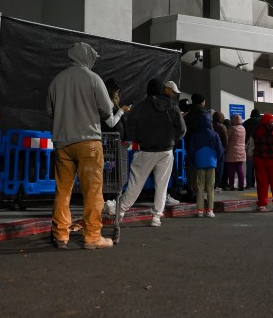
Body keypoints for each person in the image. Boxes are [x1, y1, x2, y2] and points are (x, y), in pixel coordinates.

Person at [46, 42, 115, 250]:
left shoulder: (56, 81)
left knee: (63, 190)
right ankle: (93, 236)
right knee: (93, 190)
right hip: (89, 143)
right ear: (87, 57)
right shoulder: (93, 79)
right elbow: (106, 109)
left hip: (62, 143)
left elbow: (50, 111)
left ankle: (60, 235)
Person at [103, 78, 185, 227]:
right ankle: (156, 217)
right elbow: (182, 129)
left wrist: (140, 139)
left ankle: (119, 210)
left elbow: (130, 128)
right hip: (166, 150)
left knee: (135, 184)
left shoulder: (141, 107)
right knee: (162, 185)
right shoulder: (172, 107)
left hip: (146, 150)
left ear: (148, 90)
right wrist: (172, 139)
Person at [187, 111, 224, 217]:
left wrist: (194, 161)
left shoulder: (195, 135)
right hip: (211, 163)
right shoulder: (214, 134)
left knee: (199, 187)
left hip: (199, 163)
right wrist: (217, 160)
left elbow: (191, 150)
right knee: (210, 187)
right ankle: (210, 210)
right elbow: (220, 150)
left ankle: (200, 210)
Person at [183, 93, 209, 201]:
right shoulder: (204, 113)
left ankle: (190, 191)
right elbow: (208, 129)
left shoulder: (187, 115)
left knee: (191, 169)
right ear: (202, 102)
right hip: (202, 145)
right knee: (201, 170)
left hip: (189, 145)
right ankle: (199, 194)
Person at [224, 113, 246, 190]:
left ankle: (231, 185)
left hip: (232, 150)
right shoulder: (243, 129)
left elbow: (226, 138)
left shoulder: (232, 129)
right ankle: (241, 185)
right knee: (240, 169)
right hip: (241, 150)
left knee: (231, 170)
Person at [242, 109, 262, 189]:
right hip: (259, 148)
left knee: (249, 167)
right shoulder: (261, 123)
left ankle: (249, 184)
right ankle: (260, 184)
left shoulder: (246, 123)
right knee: (259, 168)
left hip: (249, 146)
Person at [211, 110, 228, 190]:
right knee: (220, 168)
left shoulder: (211, 126)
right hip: (221, 149)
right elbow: (225, 140)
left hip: (211, 150)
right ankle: (217, 184)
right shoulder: (222, 127)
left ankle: (211, 183)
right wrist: (225, 147)